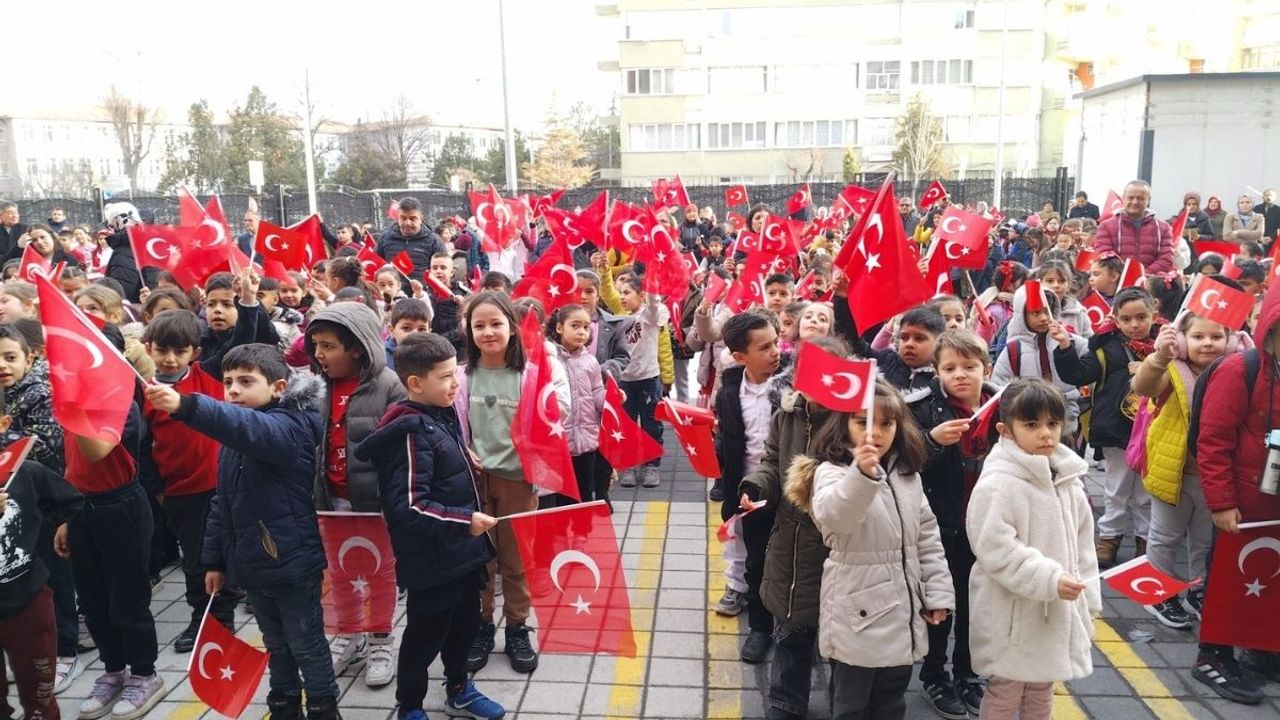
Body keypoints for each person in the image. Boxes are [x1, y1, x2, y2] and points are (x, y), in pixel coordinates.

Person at [146, 344, 342, 720]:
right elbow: (223, 502)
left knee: (306, 643)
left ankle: (323, 706)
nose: (233, 390)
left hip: (291, 563)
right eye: (228, 382)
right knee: (275, 643)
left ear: (279, 388)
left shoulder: (289, 427)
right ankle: (284, 703)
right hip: (252, 566)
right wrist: (215, 561)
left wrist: (186, 405)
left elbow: (250, 429)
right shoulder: (234, 442)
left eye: (246, 381)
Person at [353, 332, 505, 720]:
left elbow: (439, 463)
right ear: (415, 384)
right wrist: (465, 521)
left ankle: (459, 688)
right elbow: (409, 506)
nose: (456, 384)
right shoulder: (410, 432)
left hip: (463, 555)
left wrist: (463, 454)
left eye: (456, 373)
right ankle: (410, 705)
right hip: (432, 563)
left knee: (464, 626)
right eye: (446, 377)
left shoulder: (440, 413)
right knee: (425, 637)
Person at [792, 379, 953, 720]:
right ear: (842, 425)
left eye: (886, 423)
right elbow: (834, 517)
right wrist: (861, 475)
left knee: (891, 701)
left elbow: (927, 538)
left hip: (902, 611)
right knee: (851, 704)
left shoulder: (907, 473)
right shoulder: (831, 472)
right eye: (861, 421)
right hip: (858, 613)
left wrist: (937, 592)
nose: (875, 432)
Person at [967, 379, 1099, 720]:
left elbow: (1083, 545)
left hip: (1056, 606)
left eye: (1052, 423)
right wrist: (1050, 579)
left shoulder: (1067, 477)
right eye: (1031, 424)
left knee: (1042, 686)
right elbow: (996, 548)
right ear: (1005, 430)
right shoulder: (998, 483)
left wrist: (1088, 598)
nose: (1045, 434)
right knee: (1005, 689)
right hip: (1010, 611)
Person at [458, 292, 569, 675]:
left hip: (518, 482)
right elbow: (451, 423)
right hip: (474, 483)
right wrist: (463, 450)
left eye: (496, 323)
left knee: (517, 561)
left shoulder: (531, 374)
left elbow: (556, 416)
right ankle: (482, 625)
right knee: (480, 561)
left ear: (512, 327)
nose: (488, 332)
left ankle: (518, 627)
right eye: (479, 325)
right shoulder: (462, 376)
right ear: (468, 331)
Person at [738, 334, 848, 720]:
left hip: (839, 542)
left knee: (841, 633)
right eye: (809, 370)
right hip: (792, 539)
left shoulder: (856, 420)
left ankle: (846, 701)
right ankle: (786, 698)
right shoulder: (786, 414)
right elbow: (772, 462)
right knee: (791, 626)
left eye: (830, 371)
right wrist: (755, 486)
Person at [62, 326, 163, 720]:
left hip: (119, 507)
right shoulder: (75, 399)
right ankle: (113, 670)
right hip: (80, 509)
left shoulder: (119, 400)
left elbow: (95, 451)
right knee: (93, 601)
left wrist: (71, 403)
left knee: (127, 600)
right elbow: (73, 464)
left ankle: (144, 674)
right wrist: (65, 517)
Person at [305, 302, 409, 687]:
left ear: (357, 348)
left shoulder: (389, 385)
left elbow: (401, 448)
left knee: (380, 572)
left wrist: (392, 498)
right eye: (316, 345)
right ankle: (349, 633)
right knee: (339, 571)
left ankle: (380, 637)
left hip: (374, 504)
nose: (319, 354)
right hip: (331, 502)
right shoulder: (315, 386)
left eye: (329, 346)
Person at [1134, 310, 1247, 630]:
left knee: (1204, 540)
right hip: (1174, 471)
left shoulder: (1235, 371)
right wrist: (1159, 356)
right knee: (1164, 536)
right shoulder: (1171, 368)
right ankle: (1158, 592)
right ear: (1183, 340)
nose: (1207, 343)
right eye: (1198, 337)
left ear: (1230, 341)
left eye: (1216, 337)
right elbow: (1144, 386)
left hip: (1213, 476)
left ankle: (1198, 589)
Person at [906, 330, 999, 719]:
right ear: (937, 372)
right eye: (949, 368)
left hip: (986, 527)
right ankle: (934, 675)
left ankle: (967, 673)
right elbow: (904, 461)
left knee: (976, 604)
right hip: (941, 526)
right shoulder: (922, 409)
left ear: (986, 369)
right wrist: (931, 440)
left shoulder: (1002, 406)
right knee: (940, 603)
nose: (960, 374)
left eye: (969, 366)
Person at [1055, 286, 1159, 568]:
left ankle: (1145, 539)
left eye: (1141, 317)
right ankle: (1110, 538)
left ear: (1154, 313)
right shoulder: (1106, 347)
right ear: (1115, 318)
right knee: (1117, 487)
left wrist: (1152, 367)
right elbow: (1077, 373)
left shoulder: (1167, 346)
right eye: (1126, 319)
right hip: (1117, 429)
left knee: (1146, 490)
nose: (1134, 325)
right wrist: (1065, 348)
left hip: (1154, 430)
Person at [712, 310, 782, 663]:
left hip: (790, 491)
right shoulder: (730, 388)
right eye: (764, 347)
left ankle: (796, 627)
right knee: (756, 561)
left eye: (776, 343)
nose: (775, 352)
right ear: (740, 357)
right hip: (748, 493)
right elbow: (729, 440)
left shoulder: (791, 386)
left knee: (789, 562)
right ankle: (760, 627)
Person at [0, 436, 83, 720]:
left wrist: (60, 526)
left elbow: (71, 501)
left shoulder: (26, 472)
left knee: (40, 693)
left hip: (28, 601)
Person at [992, 285, 1088, 435]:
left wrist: (1066, 345)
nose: (1043, 318)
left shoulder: (1067, 339)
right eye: (1035, 313)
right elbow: (999, 388)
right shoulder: (1013, 350)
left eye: (1046, 311)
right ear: (1022, 315)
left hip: (1068, 418)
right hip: (1031, 423)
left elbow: (1093, 360)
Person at [546, 304, 609, 510]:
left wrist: (611, 399)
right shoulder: (549, 360)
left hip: (586, 441)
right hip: (559, 441)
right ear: (559, 328)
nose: (582, 332)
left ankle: (582, 528)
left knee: (584, 492)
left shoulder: (590, 361)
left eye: (586, 327)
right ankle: (562, 528)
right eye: (575, 326)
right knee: (560, 494)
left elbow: (597, 392)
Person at [1093, 180, 1175, 273]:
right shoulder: (1106, 226)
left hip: (1151, 280)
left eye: (1140, 198)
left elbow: (1166, 259)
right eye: (1131, 197)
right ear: (1123, 198)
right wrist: (1126, 276)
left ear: (1148, 200)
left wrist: (1143, 276)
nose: (1135, 202)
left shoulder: (1163, 228)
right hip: (1118, 280)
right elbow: (1104, 256)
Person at [377, 197, 446, 282]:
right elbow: (376, 268)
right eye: (403, 218)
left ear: (421, 219)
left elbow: (444, 270)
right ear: (397, 218)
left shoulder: (434, 241)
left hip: (424, 289)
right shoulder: (385, 238)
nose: (407, 223)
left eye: (413, 219)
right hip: (392, 289)